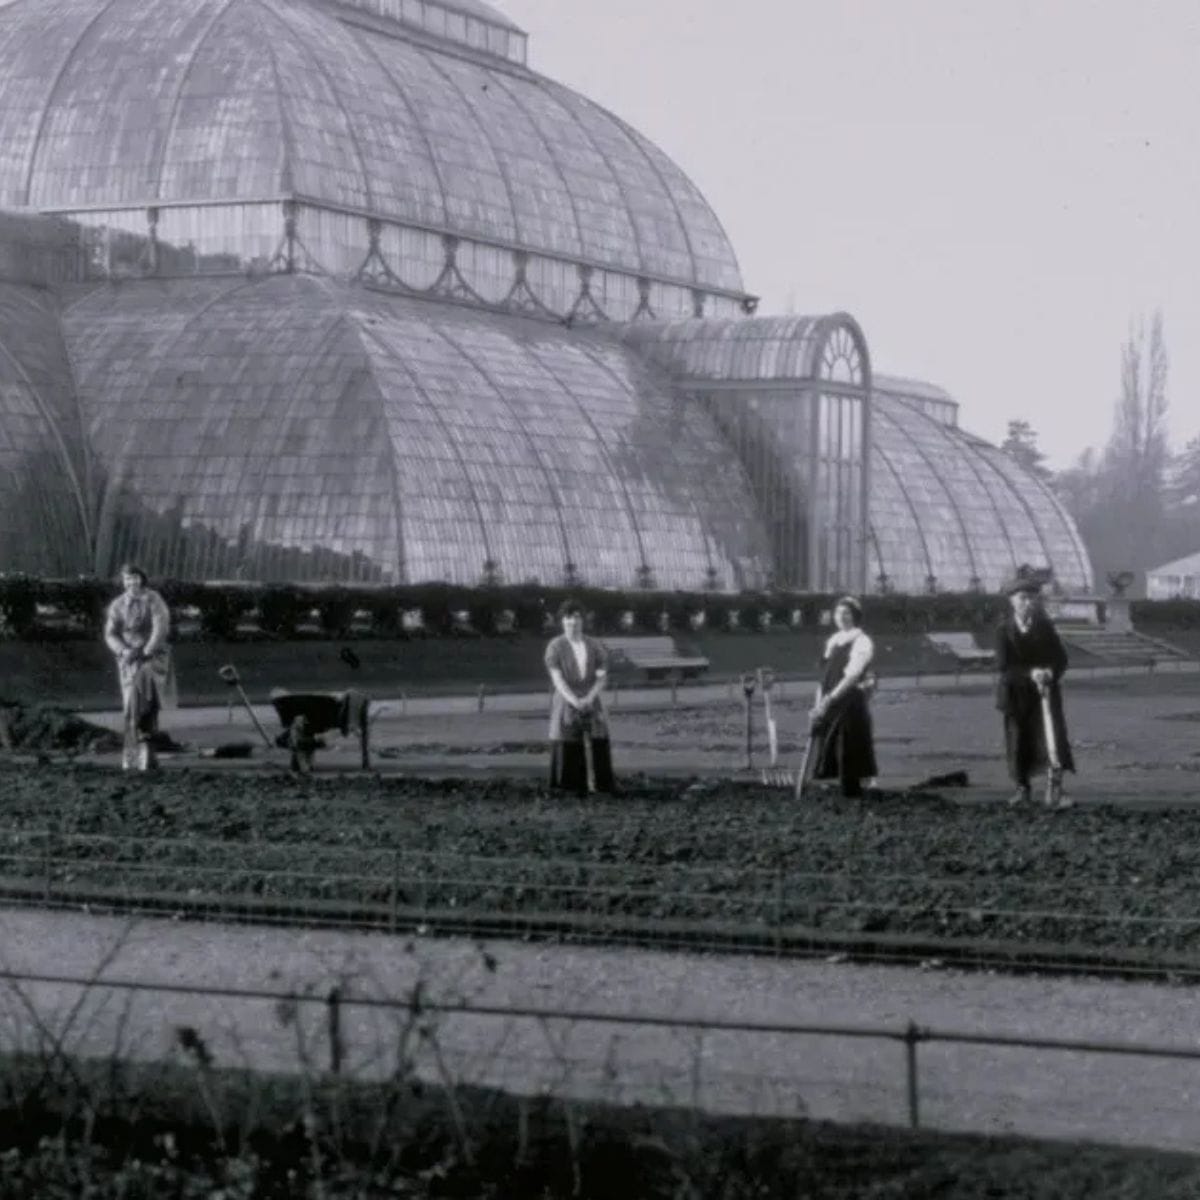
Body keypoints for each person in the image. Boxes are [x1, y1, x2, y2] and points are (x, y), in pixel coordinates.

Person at [995, 577, 1074, 809]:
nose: (1027, 603)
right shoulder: (1003, 630)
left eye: (1031, 598)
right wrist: (1031, 673)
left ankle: (1055, 789)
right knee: (1018, 741)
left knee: (1052, 740)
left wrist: (1049, 672)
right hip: (1016, 696)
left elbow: (1060, 658)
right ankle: (1022, 790)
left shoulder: (1045, 627)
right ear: (1012, 601)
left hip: (1045, 695)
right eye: (1022, 598)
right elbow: (1004, 665)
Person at [104, 564, 175, 771]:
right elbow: (110, 633)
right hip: (128, 659)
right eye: (127, 579)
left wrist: (147, 650)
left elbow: (160, 626)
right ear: (123, 581)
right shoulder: (117, 605)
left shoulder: (153, 599)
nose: (131, 583)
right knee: (130, 706)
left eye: (135, 578)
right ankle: (131, 755)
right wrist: (122, 650)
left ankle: (148, 753)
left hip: (151, 658)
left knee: (146, 704)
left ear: (142, 579)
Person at [808, 596, 878, 798]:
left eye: (846, 613)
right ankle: (841, 793)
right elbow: (826, 674)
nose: (841, 617)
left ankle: (854, 794)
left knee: (848, 745)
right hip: (831, 696)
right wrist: (819, 701)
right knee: (830, 742)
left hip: (849, 700)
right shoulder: (834, 641)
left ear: (855, 616)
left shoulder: (862, 641)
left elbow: (852, 675)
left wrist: (830, 698)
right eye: (838, 613)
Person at [544, 599, 615, 795]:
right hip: (567, 700)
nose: (573, 623)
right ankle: (569, 786)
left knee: (598, 735)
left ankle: (600, 785)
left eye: (576, 617)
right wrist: (575, 701)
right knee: (566, 737)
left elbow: (601, 677)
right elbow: (557, 679)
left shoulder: (594, 645)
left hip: (591, 698)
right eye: (568, 618)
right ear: (562, 621)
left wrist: (589, 699)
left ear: (583, 620)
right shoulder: (555, 647)